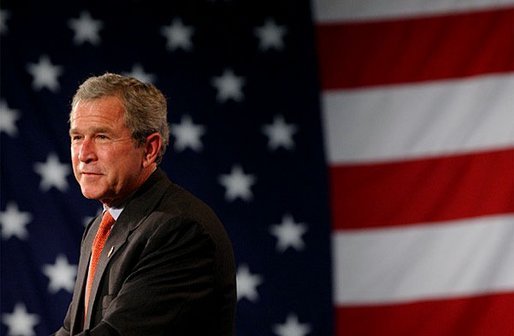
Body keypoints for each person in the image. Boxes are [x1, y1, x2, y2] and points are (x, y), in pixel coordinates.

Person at [54, 73, 236, 336]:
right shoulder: (99, 227)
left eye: (102, 137)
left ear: (149, 149)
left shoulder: (180, 230)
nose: (84, 154)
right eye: (77, 137)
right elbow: (72, 329)